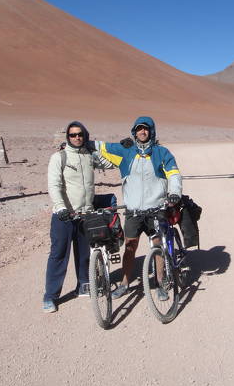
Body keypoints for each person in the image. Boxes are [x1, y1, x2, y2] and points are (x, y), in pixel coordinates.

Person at [97, 116, 182, 300]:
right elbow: (100, 147)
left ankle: (160, 283)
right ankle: (125, 284)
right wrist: (75, 143)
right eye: (139, 129)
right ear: (134, 132)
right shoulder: (126, 151)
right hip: (133, 210)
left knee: (157, 245)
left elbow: (174, 173)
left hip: (155, 209)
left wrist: (175, 192)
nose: (142, 132)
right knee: (129, 247)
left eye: (146, 129)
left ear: (151, 132)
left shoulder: (161, 152)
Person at [43, 121, 114, 313]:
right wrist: (60, 207)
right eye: (73, 135)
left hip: (85, 214)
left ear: (85, 135)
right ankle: (50, 296)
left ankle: (83, 284)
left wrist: (126, 150)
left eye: (80, 134)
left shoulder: (89, 156)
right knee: (59, 255)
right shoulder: (60, 157)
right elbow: (54, 185)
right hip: (64, 215)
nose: (77, 138)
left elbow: (111, 162)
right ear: (68, 137)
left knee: (84, 253)